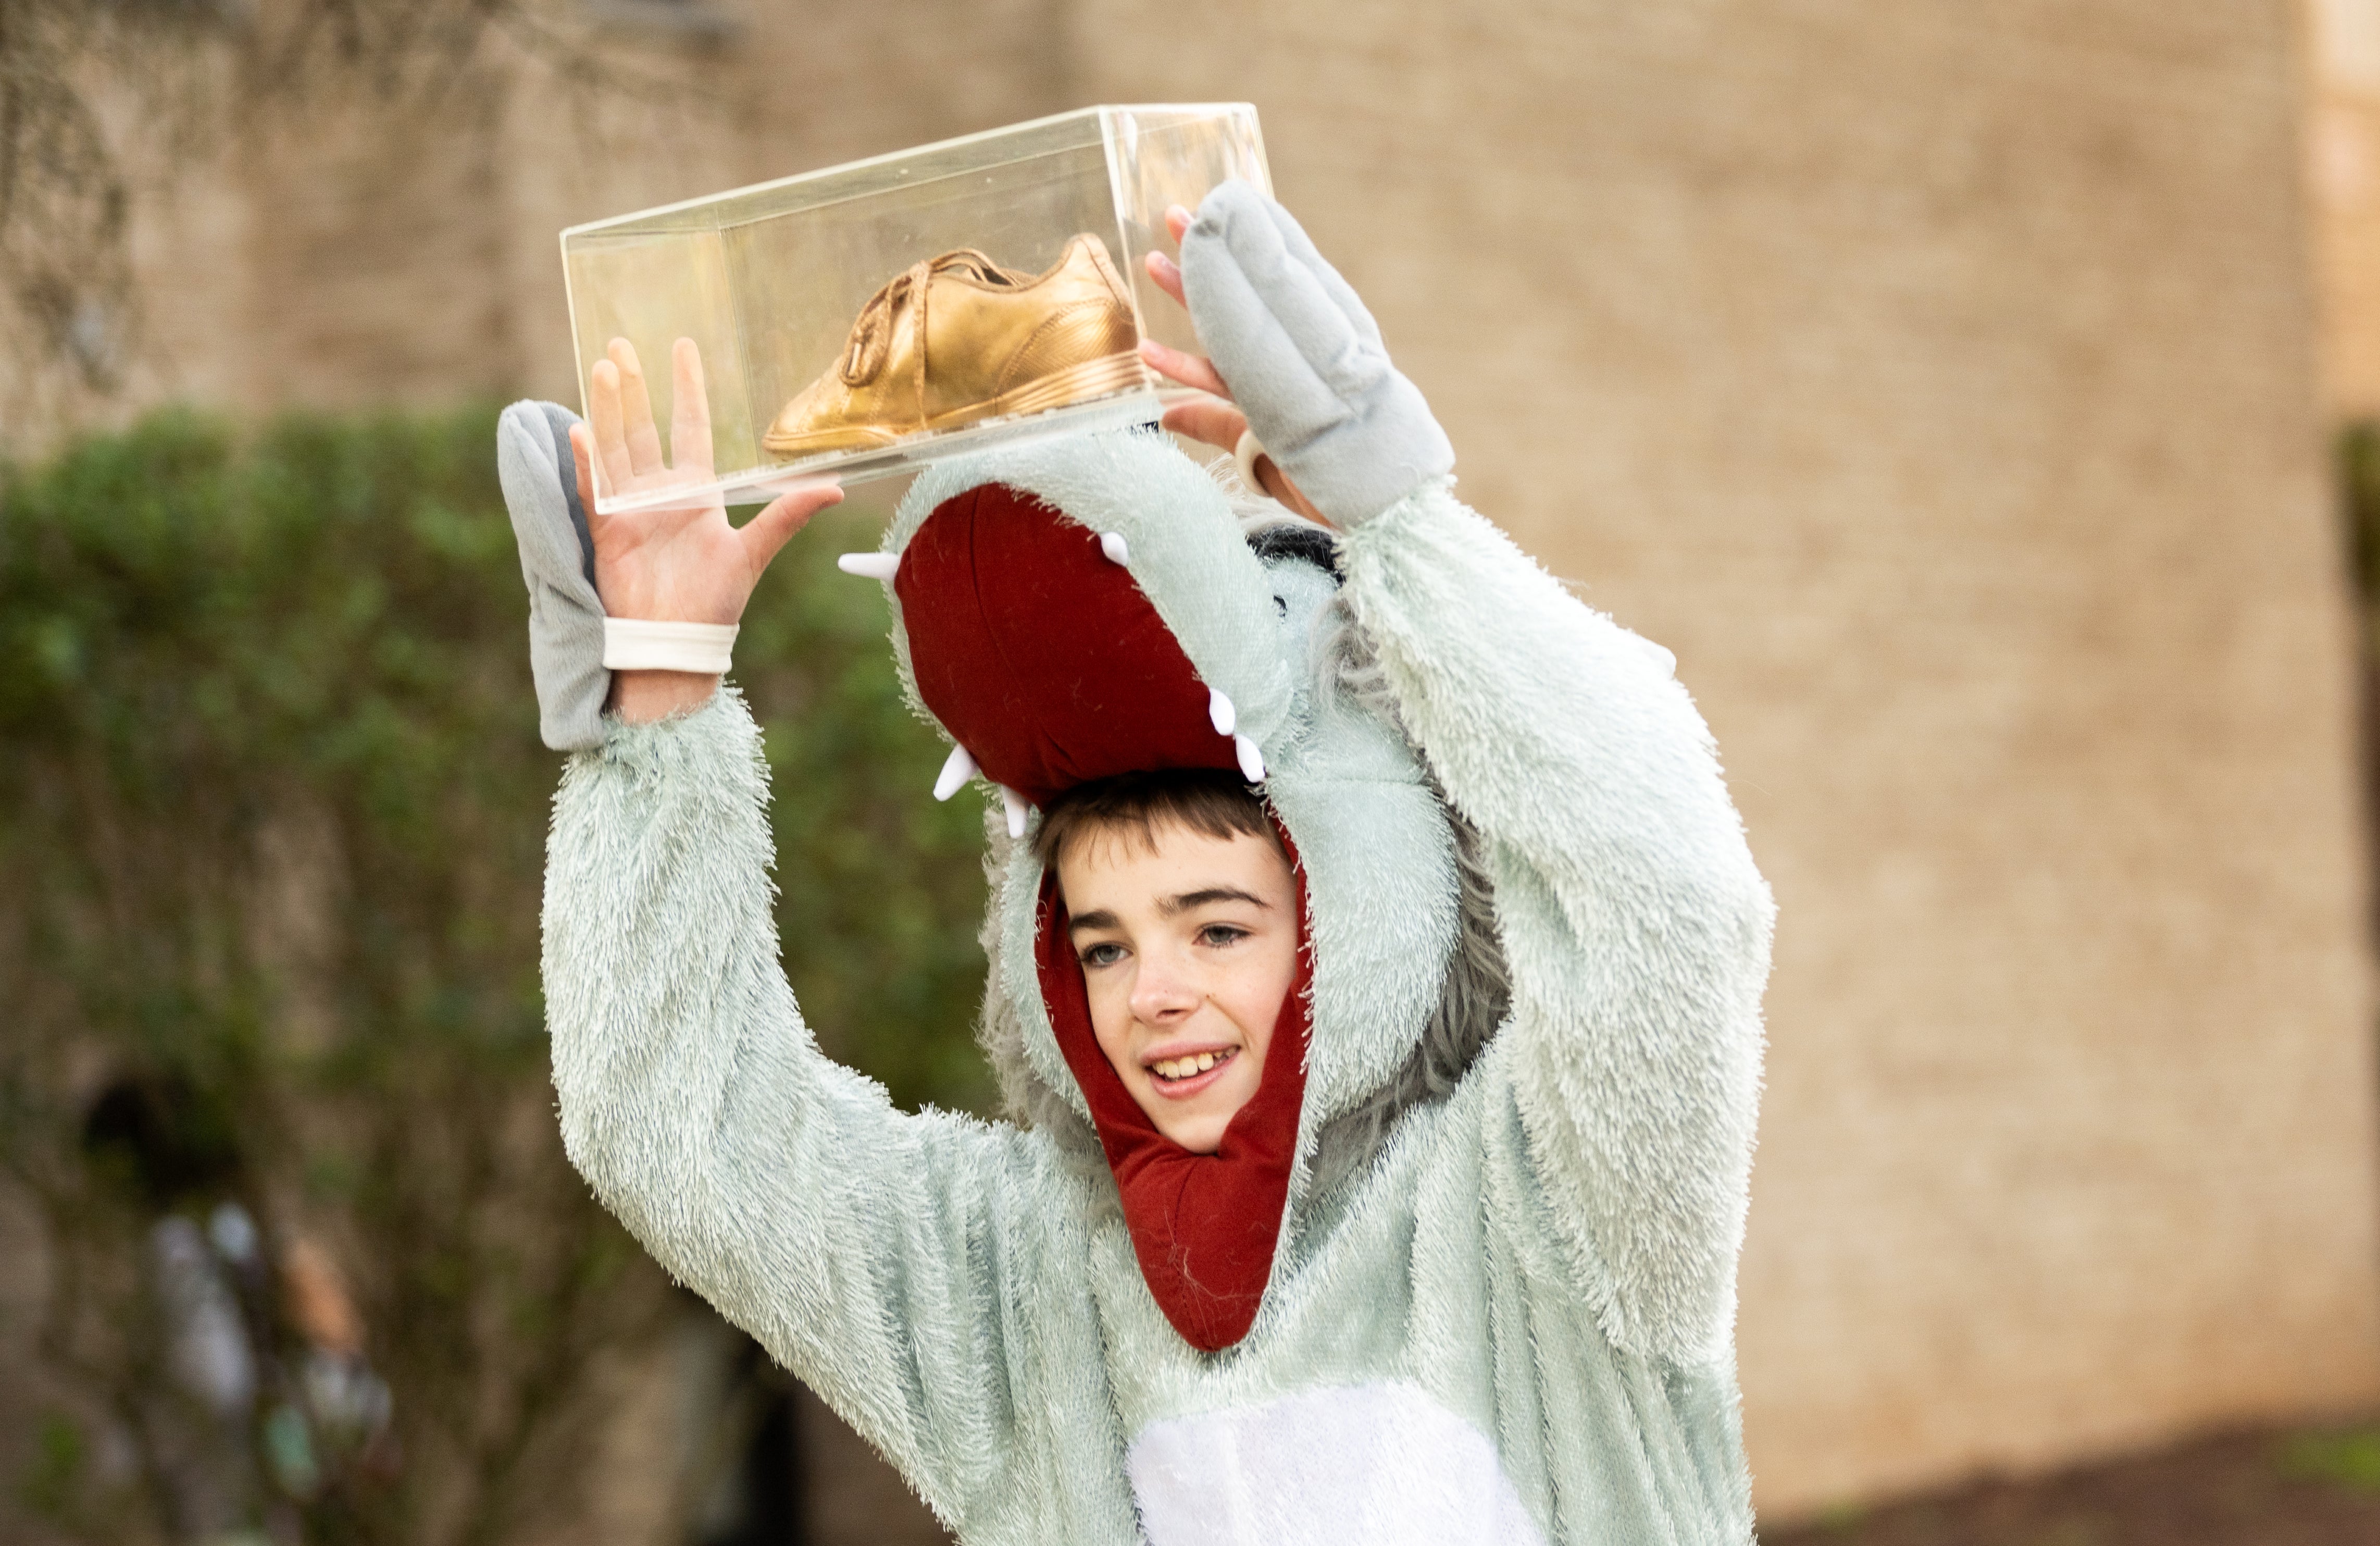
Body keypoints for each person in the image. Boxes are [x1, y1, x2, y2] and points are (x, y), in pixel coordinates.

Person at [498, 183, 1774, 1545]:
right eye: (1100, 942)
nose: (1147, 991)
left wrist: (1398, 518)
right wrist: (660, 718)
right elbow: (682, 1134)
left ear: (1341, 911)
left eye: (1215, 927)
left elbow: (1661, 898)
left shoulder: (1547, 1213)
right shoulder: (1013, 1285)